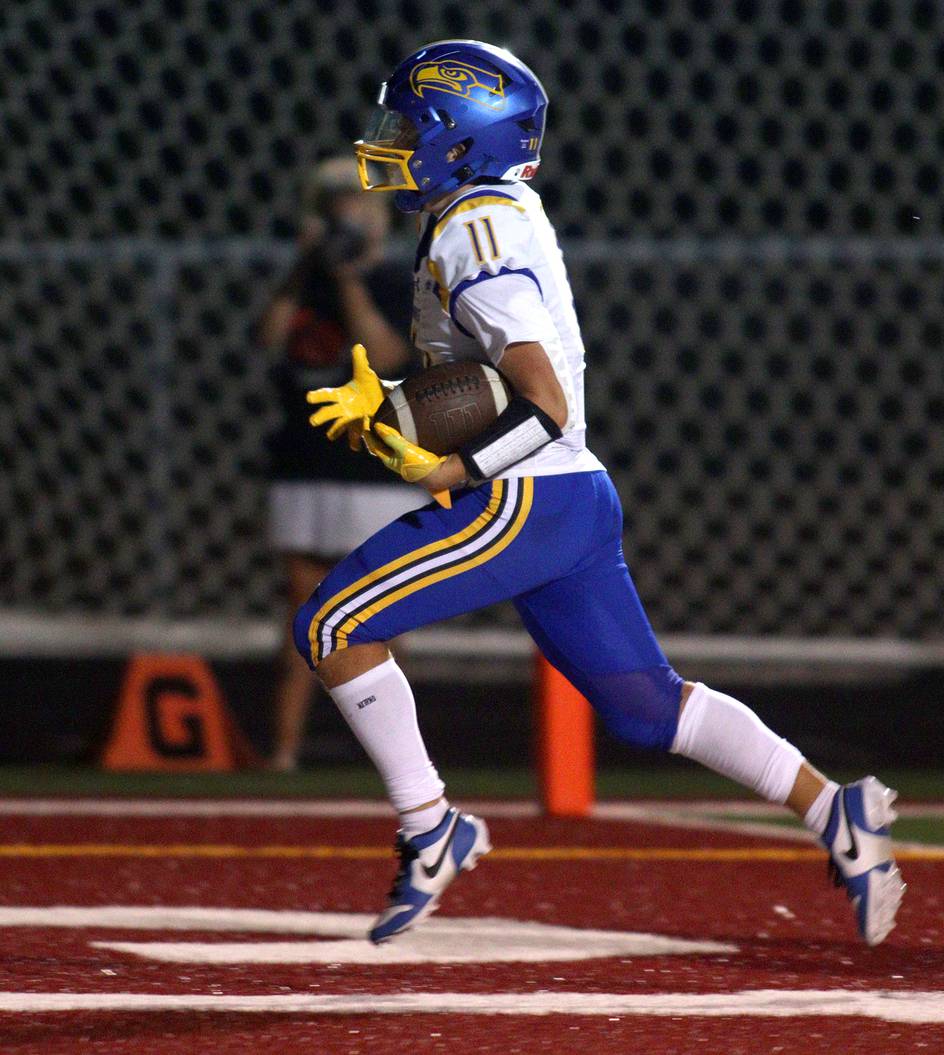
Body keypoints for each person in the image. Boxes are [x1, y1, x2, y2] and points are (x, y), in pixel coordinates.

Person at [294, 40, 905, 945]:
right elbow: (483, 382)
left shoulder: (473, 230)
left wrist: (449, 471)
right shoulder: (488, 211)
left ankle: (432, 825)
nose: (388, 142)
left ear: (461, 142)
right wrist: (388, 406)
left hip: (526, 498)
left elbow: (541, 399)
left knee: (333, 625)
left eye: (410, 126)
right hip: (573, 495)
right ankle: (835, 809)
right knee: (646, 706)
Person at [258, 158, 424, 771]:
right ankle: (283, 751)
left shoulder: (391, 280)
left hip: (374, 465)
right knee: (302, 612)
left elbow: (385, 359)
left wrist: (352, 278)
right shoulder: (302, 281)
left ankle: (395, 754)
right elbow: (268, 337)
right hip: (304, 463)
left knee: (385, 614)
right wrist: (307, 267)